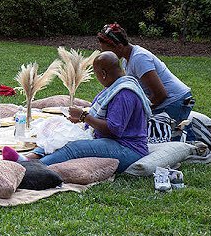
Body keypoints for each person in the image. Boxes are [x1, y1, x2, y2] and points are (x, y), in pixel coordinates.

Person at [20, 52, 150, 173]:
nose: (98, 78)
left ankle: (31, 170)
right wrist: (83, 118)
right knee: (61, 138)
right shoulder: (119, 85)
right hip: (113, 141)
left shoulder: (124, 93)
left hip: (128, 149)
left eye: (97, 74)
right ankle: (28, 158)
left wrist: (84, 116)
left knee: (74, 148)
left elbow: (114, 129)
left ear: (103, 73)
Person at [97, 23, 194, 123]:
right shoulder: (127, 60)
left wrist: (137, 112)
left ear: (120, 46)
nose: (106, 55)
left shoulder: (139, 58)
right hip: (169, 101)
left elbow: (160, 95)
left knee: (160, 135)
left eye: (107, 51)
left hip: (175, 101)